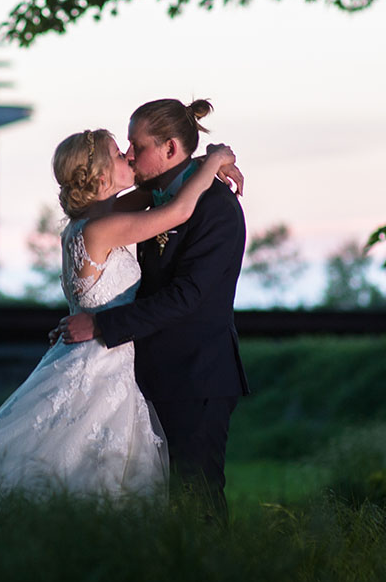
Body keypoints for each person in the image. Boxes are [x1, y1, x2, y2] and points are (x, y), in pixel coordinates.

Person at [0, 129, 240, 513]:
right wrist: (217, 159)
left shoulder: (92, 222)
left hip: (98, 358)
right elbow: (178, 209)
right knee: (78, 467)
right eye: (121, 155)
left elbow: (157, 193)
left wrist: (198, 165)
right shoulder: (105, 227)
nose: (130, 157)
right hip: (101, 365)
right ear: (103, 177)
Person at [54, 99, 249, 524]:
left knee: (196, 496)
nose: (128, 154)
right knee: (140, 499)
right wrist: (211, 159)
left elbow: (188, 296)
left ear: (170, 148)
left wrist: (100, 323)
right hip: (137, 375)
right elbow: (170, 210)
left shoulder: (215, 207)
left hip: (195, 376)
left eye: (135, 146)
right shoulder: (140, 205)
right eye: (123, 147)